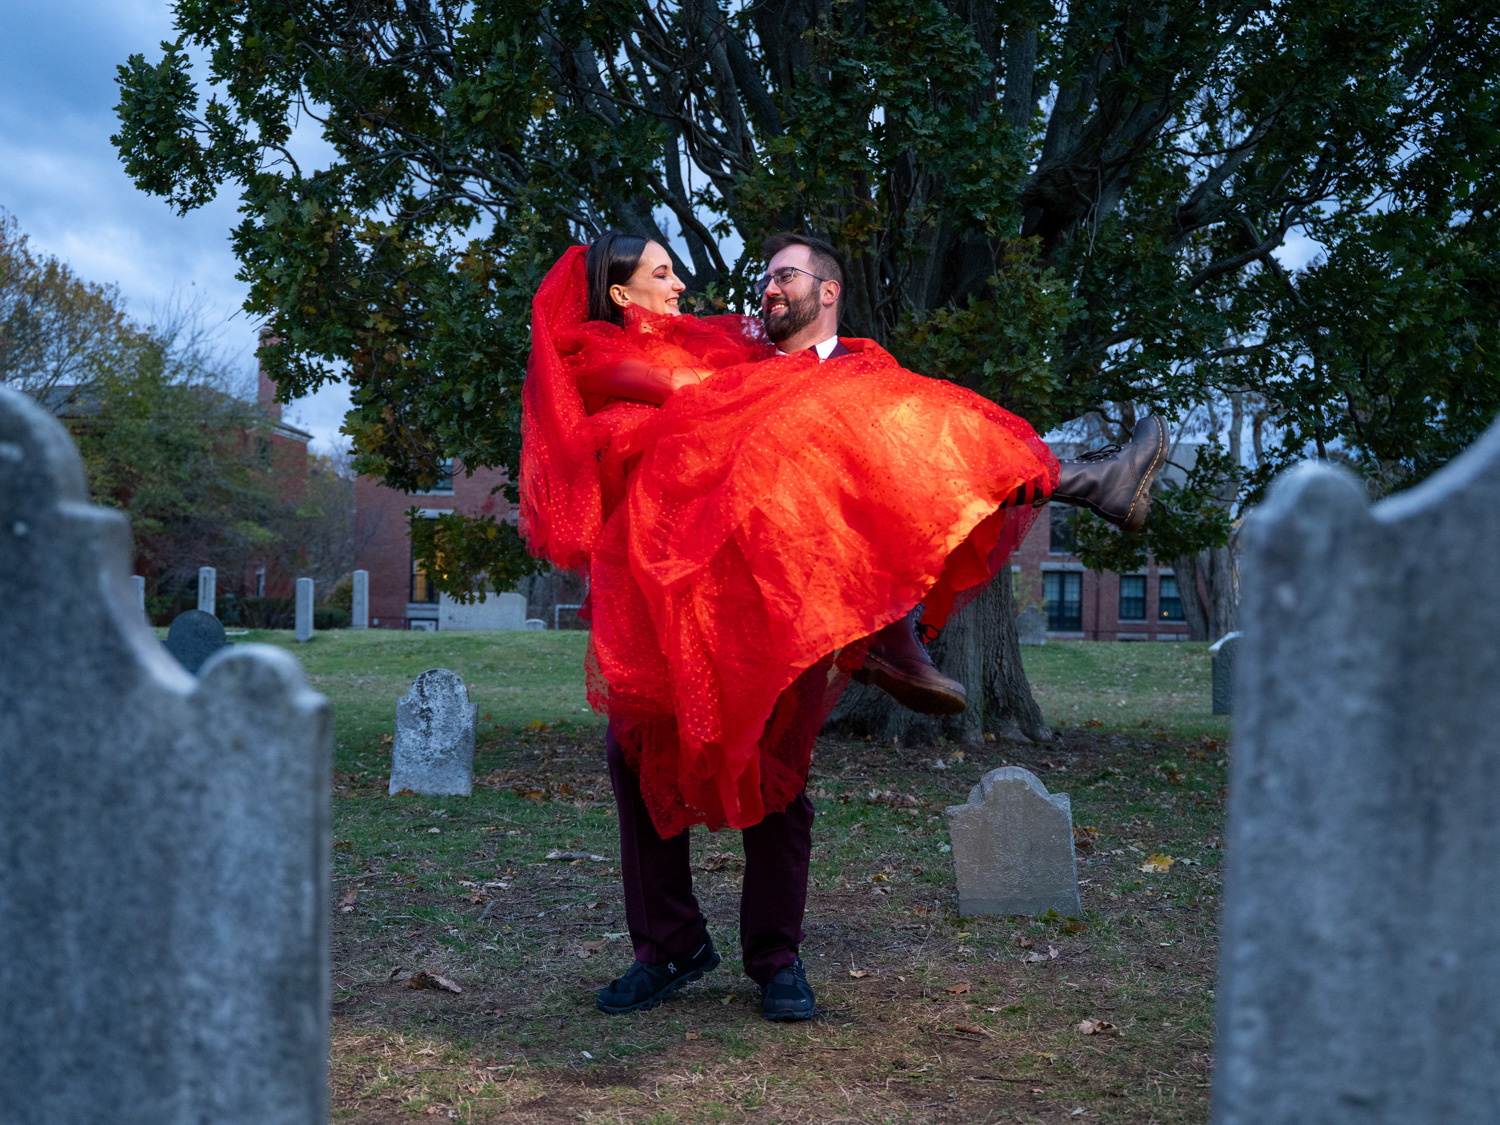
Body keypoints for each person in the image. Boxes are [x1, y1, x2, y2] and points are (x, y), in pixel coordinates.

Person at [519, 231, 1165, 1022]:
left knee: (778, 774)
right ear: (621, 293)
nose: (696, 286)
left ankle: (776, 956)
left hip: (784, 607)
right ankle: (669, 944)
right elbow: (672, 398)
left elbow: (915, 474)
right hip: (675, 593)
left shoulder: (863, 377)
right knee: (637, 754)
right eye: (663, 273)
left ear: (828, 291)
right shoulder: (697, 357)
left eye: (784, 276)